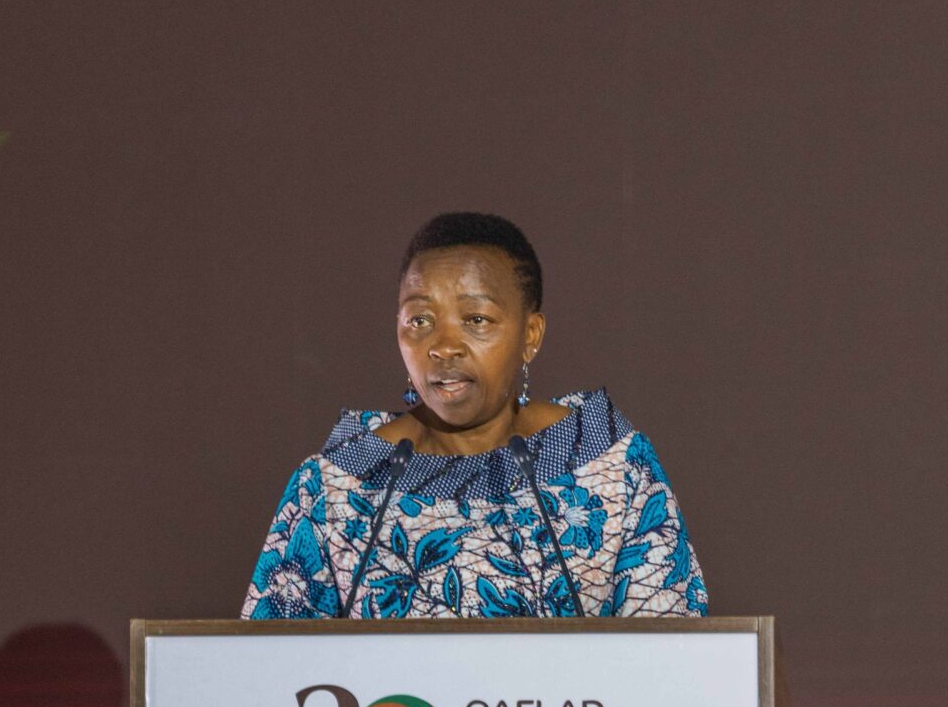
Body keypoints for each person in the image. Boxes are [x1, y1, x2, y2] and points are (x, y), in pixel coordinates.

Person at [241, 213, 706, 619]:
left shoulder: (610, 466)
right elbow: (268, 676)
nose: (443, 346)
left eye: (476, 320)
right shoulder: (341, 485)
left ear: (531, 334)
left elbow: (674, 663)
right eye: (419, 321)